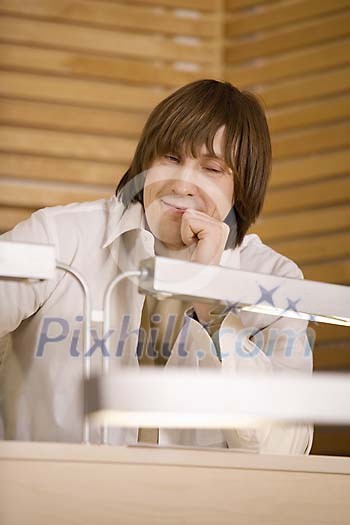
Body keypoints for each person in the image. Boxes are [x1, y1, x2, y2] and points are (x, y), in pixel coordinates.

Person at [0, 79, 313, 453]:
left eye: (212, 169)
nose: (182, 183)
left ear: (242, 186)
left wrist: (213, 306)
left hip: (196, 510)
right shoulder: (59, 236)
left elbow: (285, 447)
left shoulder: (276, 280)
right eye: (171, 158)